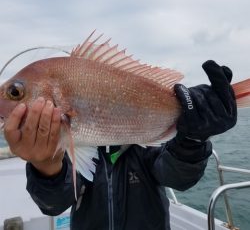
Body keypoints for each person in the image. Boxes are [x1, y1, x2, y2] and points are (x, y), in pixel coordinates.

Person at [4, 60, 237, 230]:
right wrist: (45, 163)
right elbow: (54, 204)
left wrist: (193, 139)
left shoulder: (145, 145)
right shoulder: (61, 146)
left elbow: (176, 177)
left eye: (15, 93)